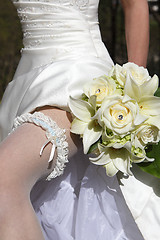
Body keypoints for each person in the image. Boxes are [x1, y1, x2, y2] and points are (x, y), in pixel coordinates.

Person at [0, 0, 158, 239]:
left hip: (79, 81)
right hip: (27, 85)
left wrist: (133, 90)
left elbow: (135, 4)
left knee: (5, 179)